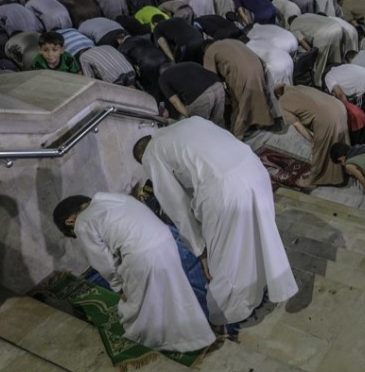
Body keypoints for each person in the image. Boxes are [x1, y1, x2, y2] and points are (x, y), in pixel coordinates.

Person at [133, 118, 298, 328]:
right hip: (254, 169)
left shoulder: (150, 155)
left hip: (225, 191)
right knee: (256, 237)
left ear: (142, 157)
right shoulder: (186, 124)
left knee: (224, 258)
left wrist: (200, 251)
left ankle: (231, 311)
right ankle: (259, 287)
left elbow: (177, 208)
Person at [52, 193, 217, 352]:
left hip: (143, 256)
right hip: (166, 241)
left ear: (70, 221)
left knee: (136, 310)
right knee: (174, 290)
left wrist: (119, 287)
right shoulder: (115, 198)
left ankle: (168, 340)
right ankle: (196, 333)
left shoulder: (82, 222)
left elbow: (103, 262)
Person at [275, 83, 348, 186]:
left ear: (278, 96)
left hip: (327, 118)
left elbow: (297, 125)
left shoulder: (283, 100)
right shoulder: (300, 87)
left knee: (320, 150)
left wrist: (312, 140)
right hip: (339, 107)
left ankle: (315, 179)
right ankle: (345, 171)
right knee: (338, 144)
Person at [203, 39, 274, 137]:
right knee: (258, 97)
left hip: (241, 73)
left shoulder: (209, 51)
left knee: (240, 103)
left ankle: (237, 133)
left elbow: (210, 76)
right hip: (257, 67)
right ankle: (262, 123)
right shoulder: (231, 41)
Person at [158, 62, 226, 126]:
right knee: (218, 124)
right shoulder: (188, 65)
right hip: (218, 86)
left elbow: (175, 102)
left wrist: (189, 117)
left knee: (197, 127)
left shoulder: (163, 78)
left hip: (202, 95)